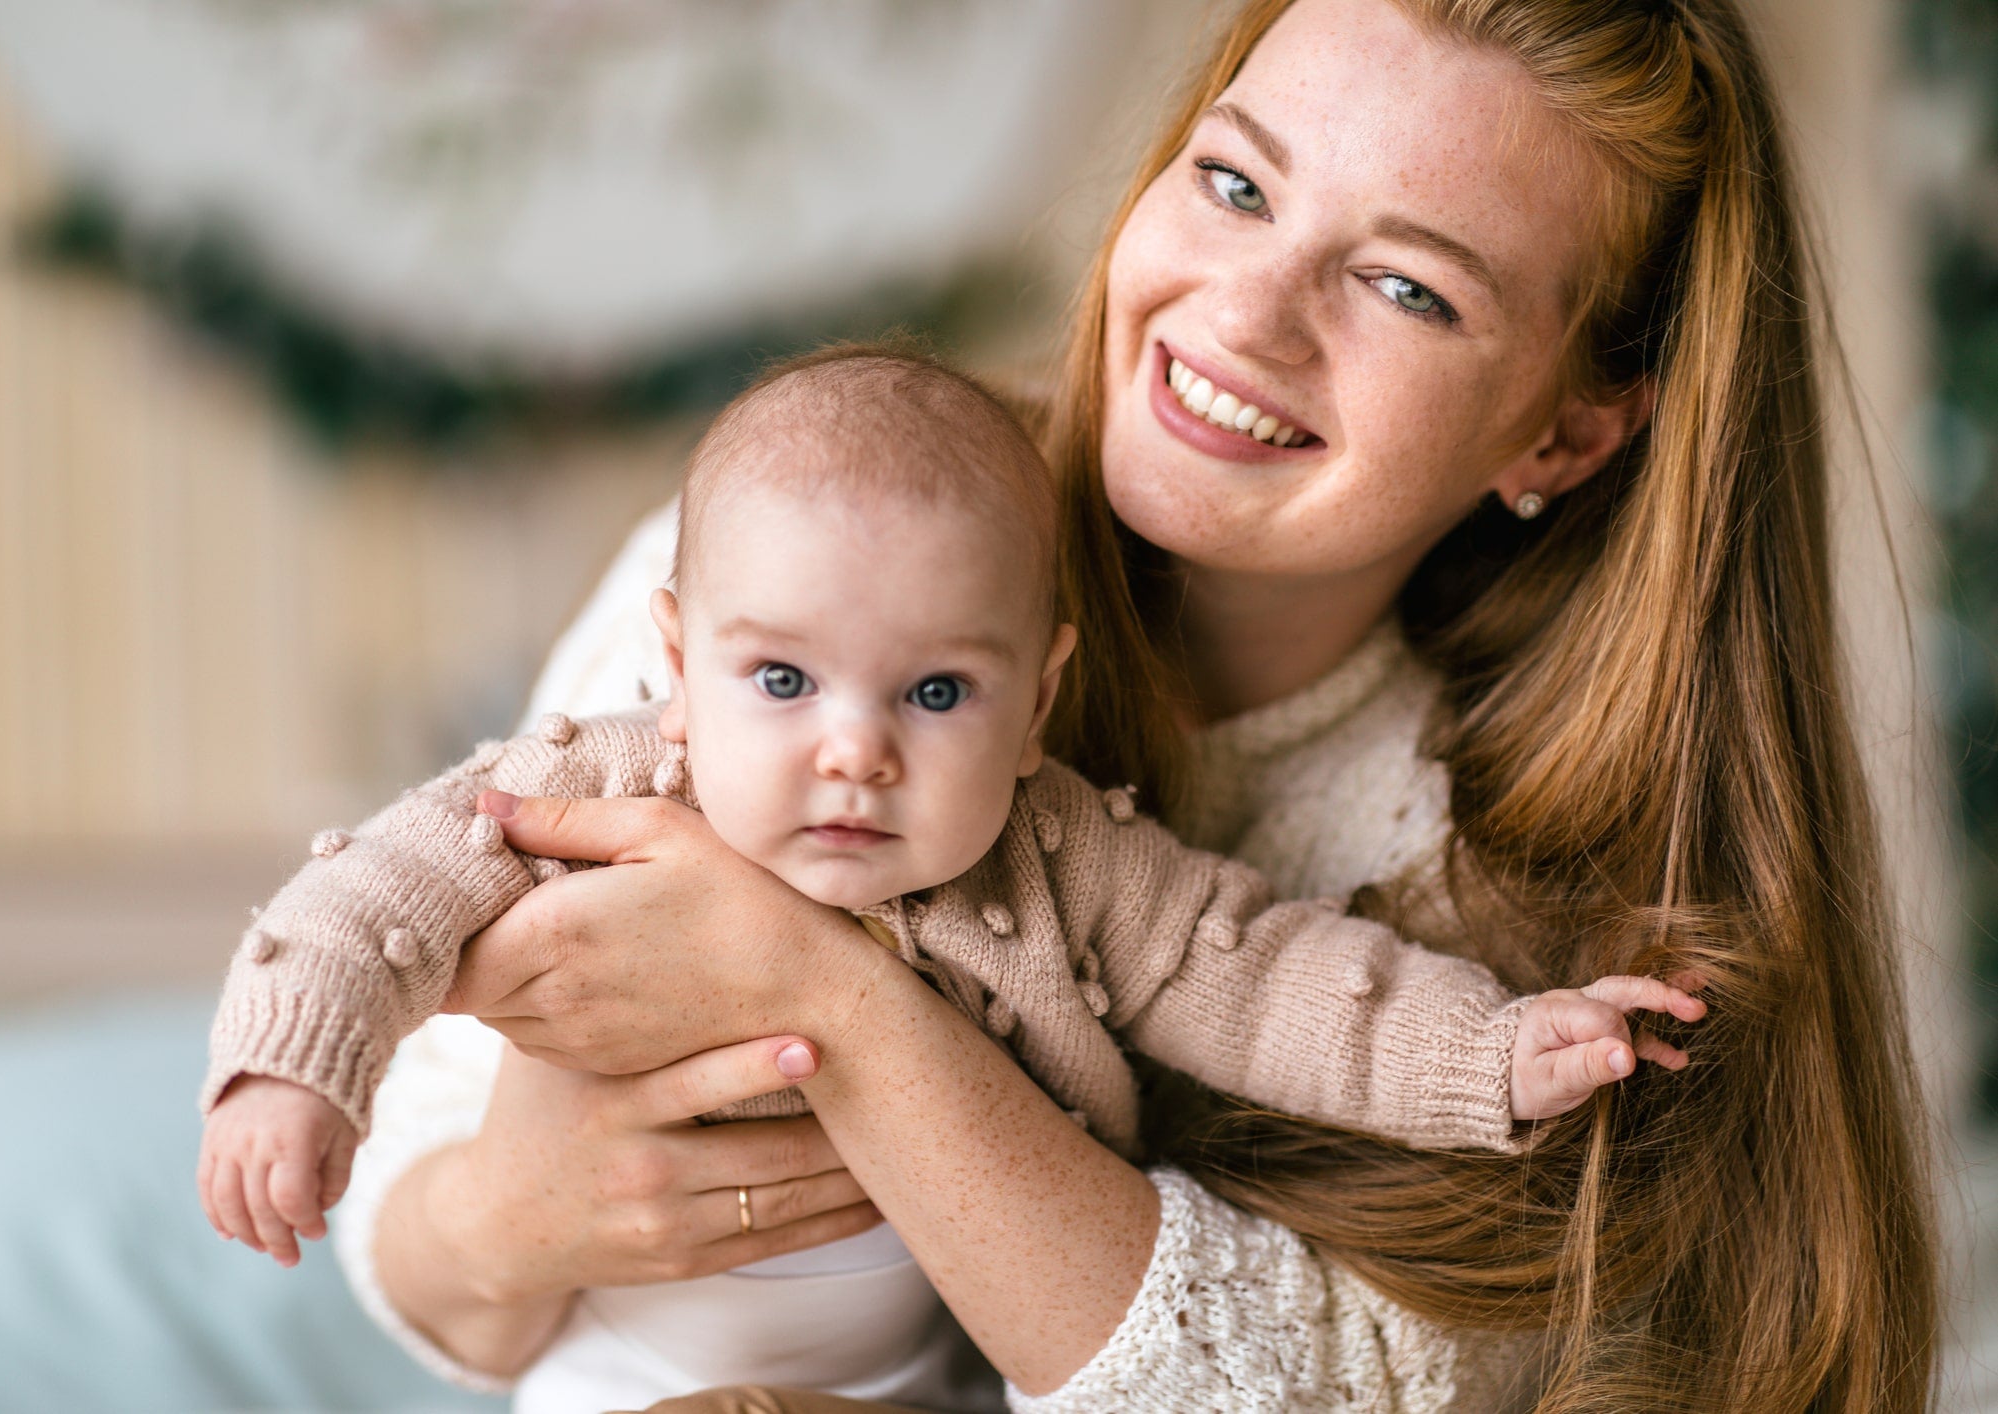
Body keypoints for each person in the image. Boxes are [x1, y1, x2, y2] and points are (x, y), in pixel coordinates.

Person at [342, 0, 1941, 1409]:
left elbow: (1313, 1393)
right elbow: (416, 1246)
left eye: (1404, 289)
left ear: (1567, 435)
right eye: (1234, 183)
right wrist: (512, 1211)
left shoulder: (1540, 894)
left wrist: (828, 995)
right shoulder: (797, 566)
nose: (1242, 315)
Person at [197, 346, 1694, 1409]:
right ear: (677, 658)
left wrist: (1488, 1047)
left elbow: (1273, 978)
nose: (853, 753)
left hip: (926, 1377)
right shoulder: (601, 775)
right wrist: (290, 1074)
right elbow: (372, 896)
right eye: (781, 677)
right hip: (615, 1370)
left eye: (932, 696)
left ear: (1037, 698)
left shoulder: (1061, 854)